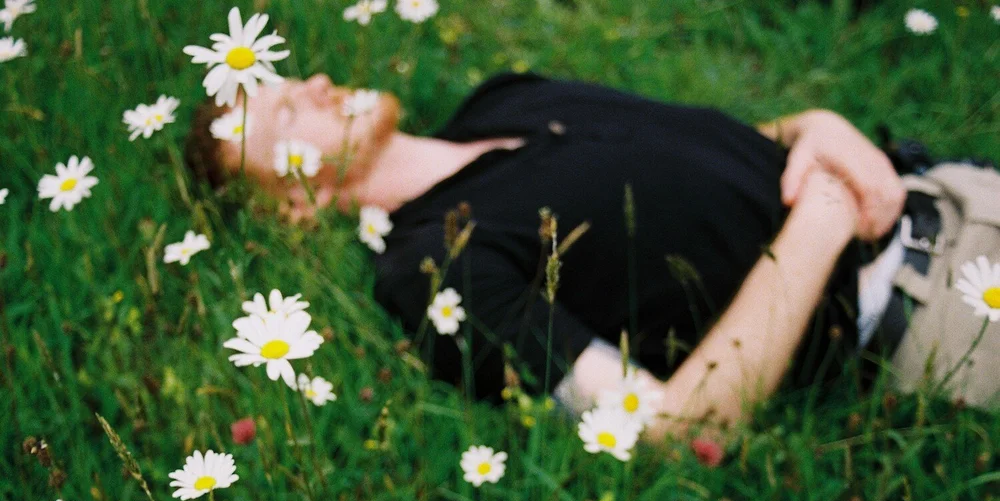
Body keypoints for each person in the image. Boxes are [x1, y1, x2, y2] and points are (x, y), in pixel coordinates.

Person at [185, 71, 991, 442]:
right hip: (944, 322)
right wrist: (822, 218)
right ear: (300, 204)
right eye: (288, 114)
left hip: (955, 189)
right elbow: (675, 424)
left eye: (289, 77)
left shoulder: (501, 98)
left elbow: (722, 149)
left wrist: (815, 125)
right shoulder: (434, 271)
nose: (317, 83)